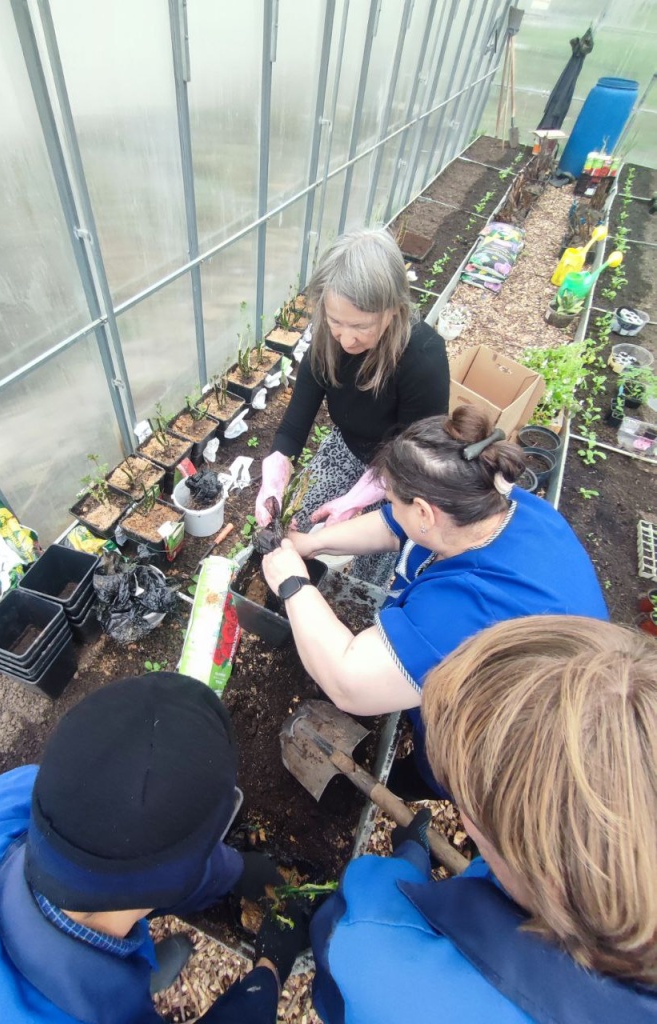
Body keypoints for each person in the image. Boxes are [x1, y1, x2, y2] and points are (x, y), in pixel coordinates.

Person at [0, 673, 309, 1023]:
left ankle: (127, 966)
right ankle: (123, 976)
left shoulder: (16, 792)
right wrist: (268, 972)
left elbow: (138, 865)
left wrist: (235, 871)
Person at [310, 615, 657, 1023]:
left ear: (541, 871)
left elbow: (348, 920)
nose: (459, 809)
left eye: (460, 797)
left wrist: (407, 862)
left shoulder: (386, 957)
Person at [262, 406, 608, 797]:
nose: (390, 509)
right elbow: (395, 527)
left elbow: (348, 683)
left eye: (392, 500)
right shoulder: (494, 506)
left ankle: (417, 780)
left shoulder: (469, 608)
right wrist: (316, 541)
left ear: (426, 512)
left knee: (445, 772)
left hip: (529, 752)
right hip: (544, 685)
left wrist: (292, 583)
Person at [254, 227, 449, 584]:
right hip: (348, 448)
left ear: (392, 310)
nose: (345, 338)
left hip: (402, 475)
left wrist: (361, 496)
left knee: (363, 571)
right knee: (301, 528)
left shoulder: (422, 356)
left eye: (360, 326)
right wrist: (276, 468)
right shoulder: (328, 339)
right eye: (335, 321)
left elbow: (420, 457)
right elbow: (295, 427)